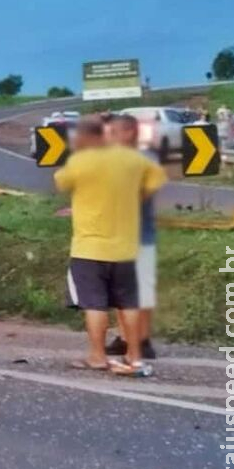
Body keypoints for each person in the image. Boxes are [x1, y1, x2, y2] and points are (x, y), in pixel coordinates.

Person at [54, 115, 167, 376]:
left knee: (94, 304)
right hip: (127, 247)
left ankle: (97, 356)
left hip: (90, 247)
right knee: (129, 303)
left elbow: (60, 182)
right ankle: (134, 356)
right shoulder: (136, 160)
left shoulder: (82, 160)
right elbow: (156, 180)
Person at [105, 114, 158, 360]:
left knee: (135, 291)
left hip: (134, 236)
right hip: (130, 235)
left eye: (113, 132)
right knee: (126, 291)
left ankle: (140, 339)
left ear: (128, 132)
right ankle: (127, 337)